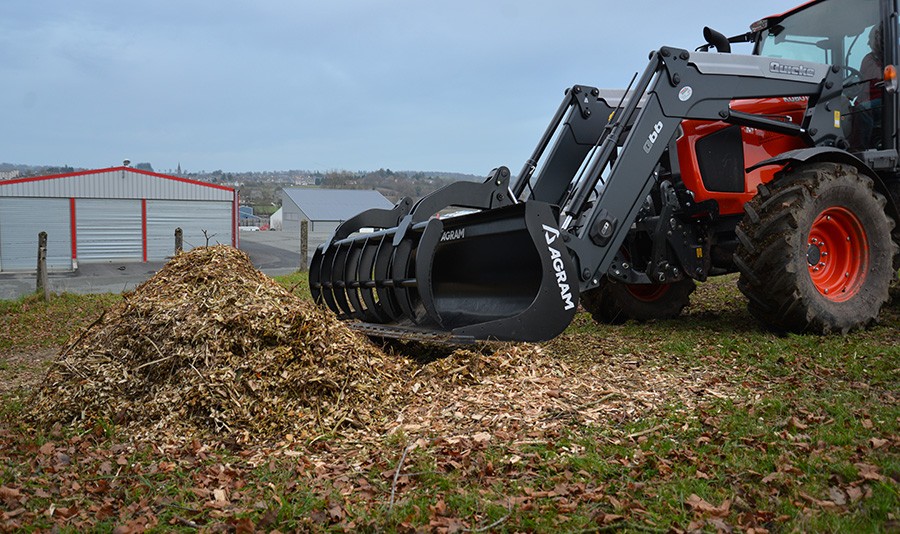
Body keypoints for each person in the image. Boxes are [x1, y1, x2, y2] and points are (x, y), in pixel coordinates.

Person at [852, 25, 884, 149]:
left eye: (870, 38)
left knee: (863, 109)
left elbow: (878, 77)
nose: (868, 43)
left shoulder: (894, 55)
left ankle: (858, 149)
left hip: (890, 101)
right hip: (872, 102)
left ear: (880, 39)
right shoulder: (868, 59)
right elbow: (863, 84)